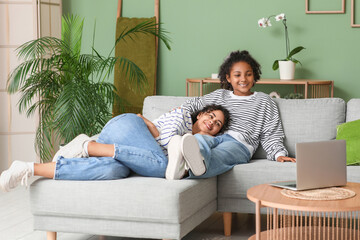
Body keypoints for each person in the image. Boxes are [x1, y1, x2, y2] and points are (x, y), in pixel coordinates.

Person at [0, 104, 230, 192]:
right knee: (162, 165)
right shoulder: (182, 118)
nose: (212, 122)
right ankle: (87, 145)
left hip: (126, 145)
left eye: (217, 124)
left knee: (113, 171)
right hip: (127, 126)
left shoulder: (199, 143)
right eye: (210, 116)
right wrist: (173, 148)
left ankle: (29, 168)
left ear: (217, 132)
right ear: (200, 114)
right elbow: (158, 133)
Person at [177, 50, 296, 179]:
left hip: (239, 144)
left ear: (254, 75)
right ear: (228, 77)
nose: (243, 79)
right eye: (237, 75)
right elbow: (195, 103)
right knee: (198, 139)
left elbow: (271, 133)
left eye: (248, 74)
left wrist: (278, 154)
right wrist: (179, 111)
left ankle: (193, 169)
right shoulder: (219, 95)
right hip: (214, 137)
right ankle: (186, 163)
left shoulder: (264, 101)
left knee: (221, 154)